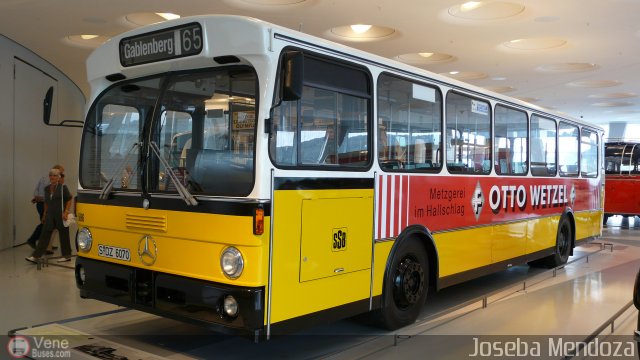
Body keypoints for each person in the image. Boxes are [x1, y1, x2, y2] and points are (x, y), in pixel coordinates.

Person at [25, 168, 73, 263]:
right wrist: (44, 215)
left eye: (55, 175)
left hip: (61, 214)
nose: (52, 177)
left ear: (59, 177)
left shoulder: (63, 188)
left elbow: (69, 199)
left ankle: (67, 256)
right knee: (44, 234)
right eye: (51, 175)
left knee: (64, 235)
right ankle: (36, 256)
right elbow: (46, 203)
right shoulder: (46, 189)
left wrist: (66, 212)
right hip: (50, 215)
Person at [26, 164, 64, 249]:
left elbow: (37, 192)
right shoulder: (50, 180)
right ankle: (33, 240)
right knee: (46, 225)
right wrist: (39, 199)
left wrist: (37, 198)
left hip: (42, 203)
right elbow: (48, 196)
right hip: (44, 205)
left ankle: (47, 245)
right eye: (61, 172)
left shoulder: (44, 178)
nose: (62, 175)